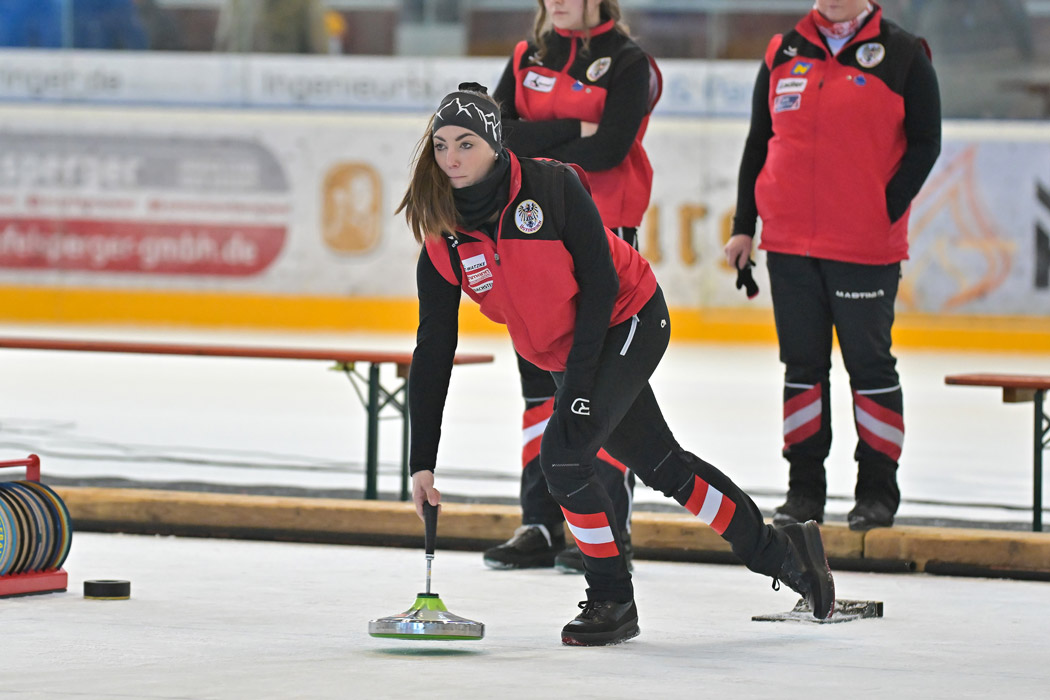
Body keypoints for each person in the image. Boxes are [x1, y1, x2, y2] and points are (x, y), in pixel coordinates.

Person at [400, 82, 835, 646]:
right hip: (567, 349)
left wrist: (578, 390)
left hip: (628, 318)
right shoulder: (443, 238)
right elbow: (433, 349)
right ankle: (786, 555)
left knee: (562, 456)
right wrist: (422, 463)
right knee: (664, 467)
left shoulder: (551, 186)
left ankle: (611, 599)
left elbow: (602, 284)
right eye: (440, 145)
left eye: (466, 143)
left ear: (495, 142)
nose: (452, 159)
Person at [725, 0, 941, 531]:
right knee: (802, 369)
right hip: (790, 242)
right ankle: (804, 492)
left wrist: (881, 210)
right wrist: (744, 224)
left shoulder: (904, 54)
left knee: (869, 369)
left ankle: (876, 492)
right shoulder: (784, 51)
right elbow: (760, 140)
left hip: (865, 246)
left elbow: (926, 143)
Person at [482, 0, 662, 574]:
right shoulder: (526, 55)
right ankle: (540, 521)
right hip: (529, 233)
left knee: (598, 385)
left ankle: (607, 527)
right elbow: (494, 137)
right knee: (539, 382)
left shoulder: (630, 63)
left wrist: (533, 147)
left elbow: (610, 151)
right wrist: (570, 130)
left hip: (602, 233)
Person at [213, 0, 327, 54]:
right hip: (239, 87)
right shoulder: (238, 3)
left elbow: (318, 51)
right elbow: (222, 44)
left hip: (284, 85)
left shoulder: (306, 3)